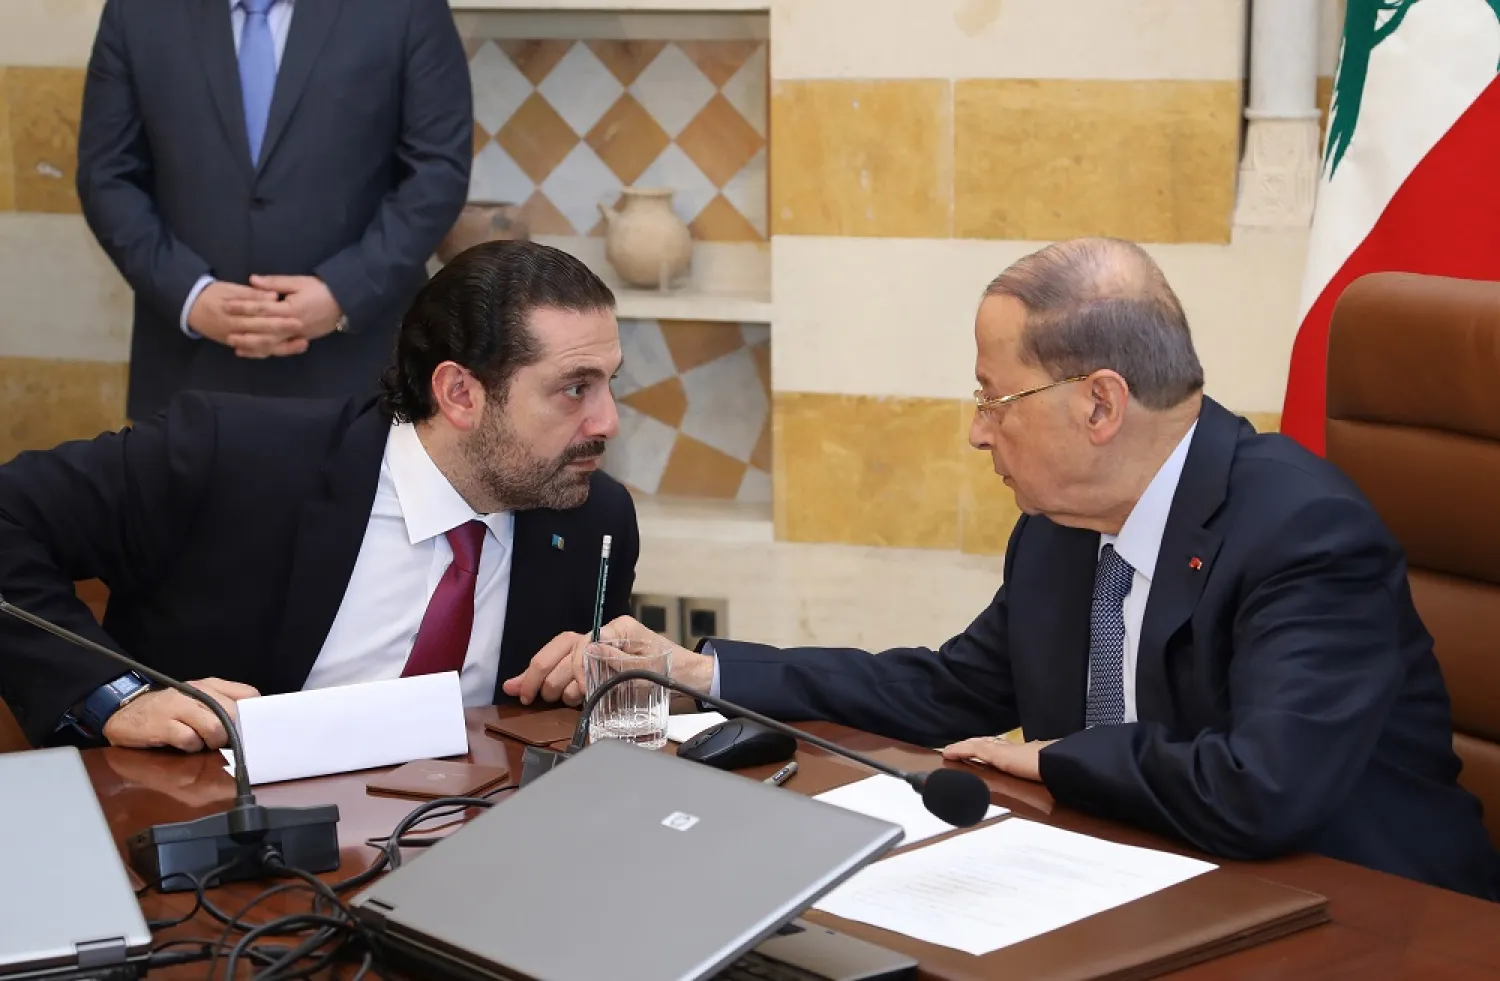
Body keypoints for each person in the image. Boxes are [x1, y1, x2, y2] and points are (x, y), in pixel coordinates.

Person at [509, 237, 1499, 901]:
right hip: (1154, 882)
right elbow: (951, 687)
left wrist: (1055, 759)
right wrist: (698, 673)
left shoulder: (1304, 532)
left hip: (1369, 907)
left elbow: (1263, 789)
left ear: (1098, 405)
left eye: (994, 399)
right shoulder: (1063, 526)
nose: (978, 435)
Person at [0, 241, 637, 755]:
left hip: (462, 857)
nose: (607, 420)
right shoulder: (232, 455)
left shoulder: (593, 520)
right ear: (460, 394)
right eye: (575, 388)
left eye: (609, 382)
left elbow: (561, 728)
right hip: (215, 843)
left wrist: (602, 675)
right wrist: (117, 696)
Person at [76, 0, 473, 420]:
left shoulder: (407, 8)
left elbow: (437, 171)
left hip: (359, 370)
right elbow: (107, 176)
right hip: (190, 374)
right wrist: (189, 295)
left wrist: (344, 292)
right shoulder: (137, 11)